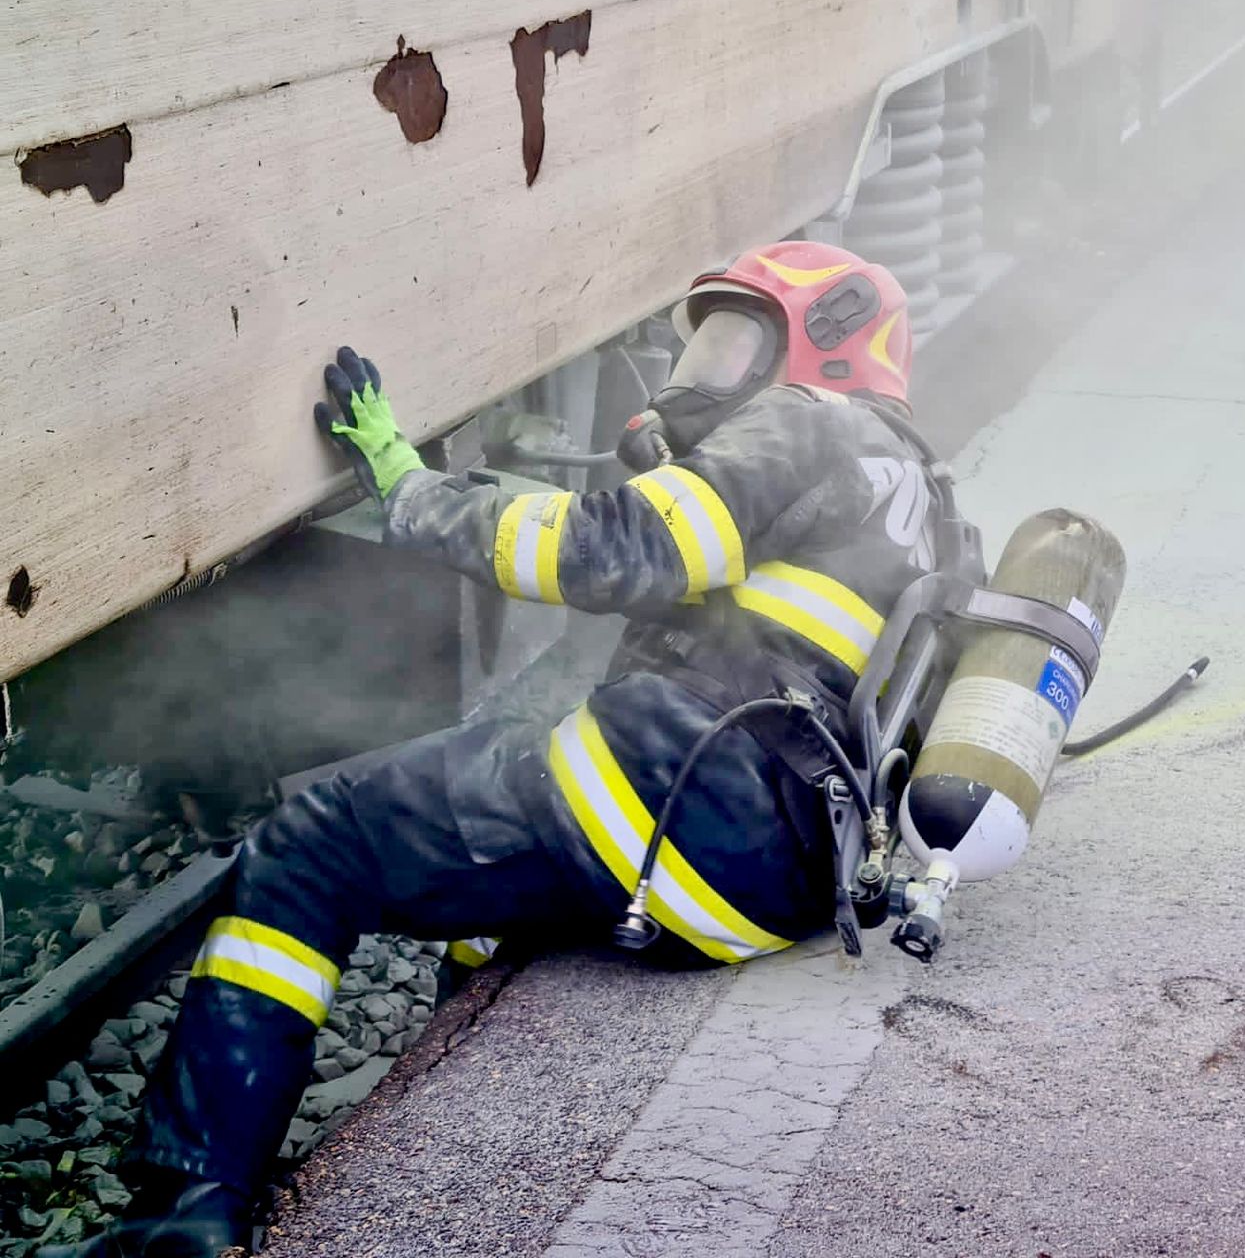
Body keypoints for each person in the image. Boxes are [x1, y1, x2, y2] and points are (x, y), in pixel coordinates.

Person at [55, 242, 939, 1257]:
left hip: (664, 810)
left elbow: (610, 549)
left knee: (314, 843)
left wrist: (410, 487)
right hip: (783, 876)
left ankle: (183, 1210)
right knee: (495, 827)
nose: (708, 371)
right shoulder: (931, 502)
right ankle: (440, 1046)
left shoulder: (807, 424)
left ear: (826, 355)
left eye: (740, 343)